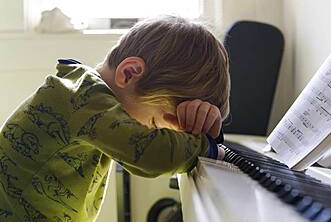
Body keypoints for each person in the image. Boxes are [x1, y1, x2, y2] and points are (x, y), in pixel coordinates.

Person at [0, 16, 230, 221]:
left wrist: (205, 131)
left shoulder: (88, 95)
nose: (151, 131)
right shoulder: (83, 98)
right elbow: (150, 152)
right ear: (129, 73)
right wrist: (207, 147)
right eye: (153, 124)